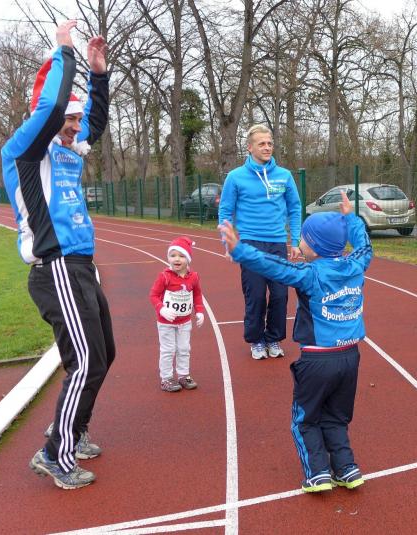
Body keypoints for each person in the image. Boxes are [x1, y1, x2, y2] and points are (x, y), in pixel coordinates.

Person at [1, 20, 111, 489]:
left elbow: (95, 124)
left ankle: (73, 431)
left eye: (76, 119)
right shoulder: (26, 152)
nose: (74, 126)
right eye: (69, 119)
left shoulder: (70, 147)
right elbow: (49, 107)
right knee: (83, 362)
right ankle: (54, 454)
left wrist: (99, 76)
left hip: (82, 265)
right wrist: (64, 53)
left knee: (103, 355)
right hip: (56, 265)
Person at [218, 190, 371, 493]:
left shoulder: (309, 274)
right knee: (336, 417)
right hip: (350, 357)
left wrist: (241, 251)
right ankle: (347, 468)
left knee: (305, 419)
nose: (298, 242)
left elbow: (274, 267)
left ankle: (317, 473)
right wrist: (352, 219)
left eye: (302, 238)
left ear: (313, 246)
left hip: (317, 360)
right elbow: (365, 246)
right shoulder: (356, 265)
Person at [218, 124, 302, 360]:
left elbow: (295, 208)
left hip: (277, 244)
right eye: (262, 143)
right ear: (250, 147)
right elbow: (225, 211)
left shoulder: (284, 175)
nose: (267, 147)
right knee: (255, 295)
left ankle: (273, 338)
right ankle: (256, 340)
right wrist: (228, 243)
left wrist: (295, 241)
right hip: (250, 244)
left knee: (279, 295)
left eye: (270, 143)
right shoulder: (235, 177)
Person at [149, 236, 206, 391]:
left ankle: (183, 375)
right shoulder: (164, 276)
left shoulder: (194, 277)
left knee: (184, 348)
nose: (177, 259)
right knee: (168, 350)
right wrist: (162, 309)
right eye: (173, 255)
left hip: (185, 322)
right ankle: (166, 378)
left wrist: (200, 311)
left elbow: (197, 295)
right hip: (166, 323)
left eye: (181, 256)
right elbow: (153, 295)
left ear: (188, 259)